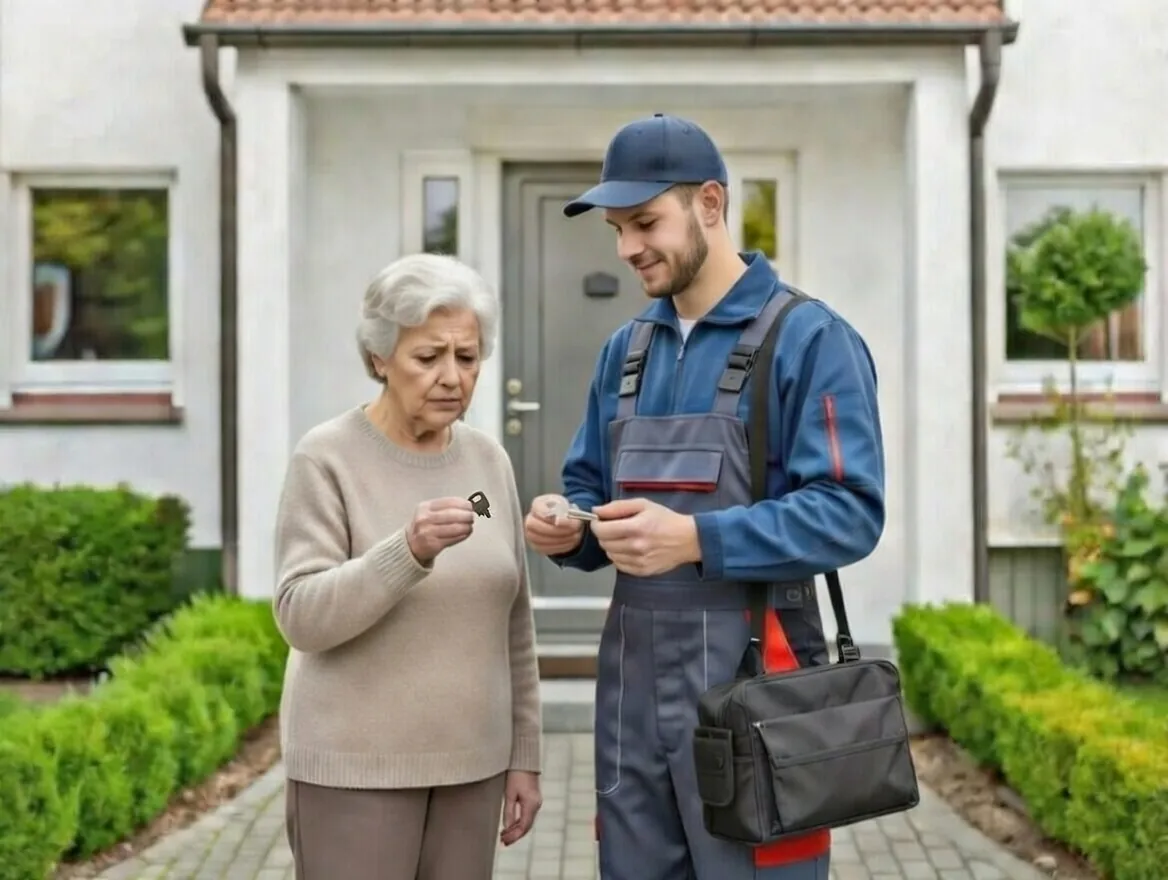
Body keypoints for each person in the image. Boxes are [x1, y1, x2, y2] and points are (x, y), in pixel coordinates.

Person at [524, 114, 885, 880]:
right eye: (617, 229)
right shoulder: (624, 351)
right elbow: (590, 488)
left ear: (712, 205)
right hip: (631, 687)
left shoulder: (810, 339)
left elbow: (851, 510)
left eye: (645, 222)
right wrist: (571, 528)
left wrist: (695, 540)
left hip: (757, 683)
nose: (627, 249)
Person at [272, 252, 543, 880]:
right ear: (379, 360)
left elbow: (515, 626)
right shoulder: (326, 458)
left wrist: (523, 756)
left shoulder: (489, 462)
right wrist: (406, 553)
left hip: (472, 771)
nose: (452, 377)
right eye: (429, 358)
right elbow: (300, 617)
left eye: (467, 358)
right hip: (354, 773)